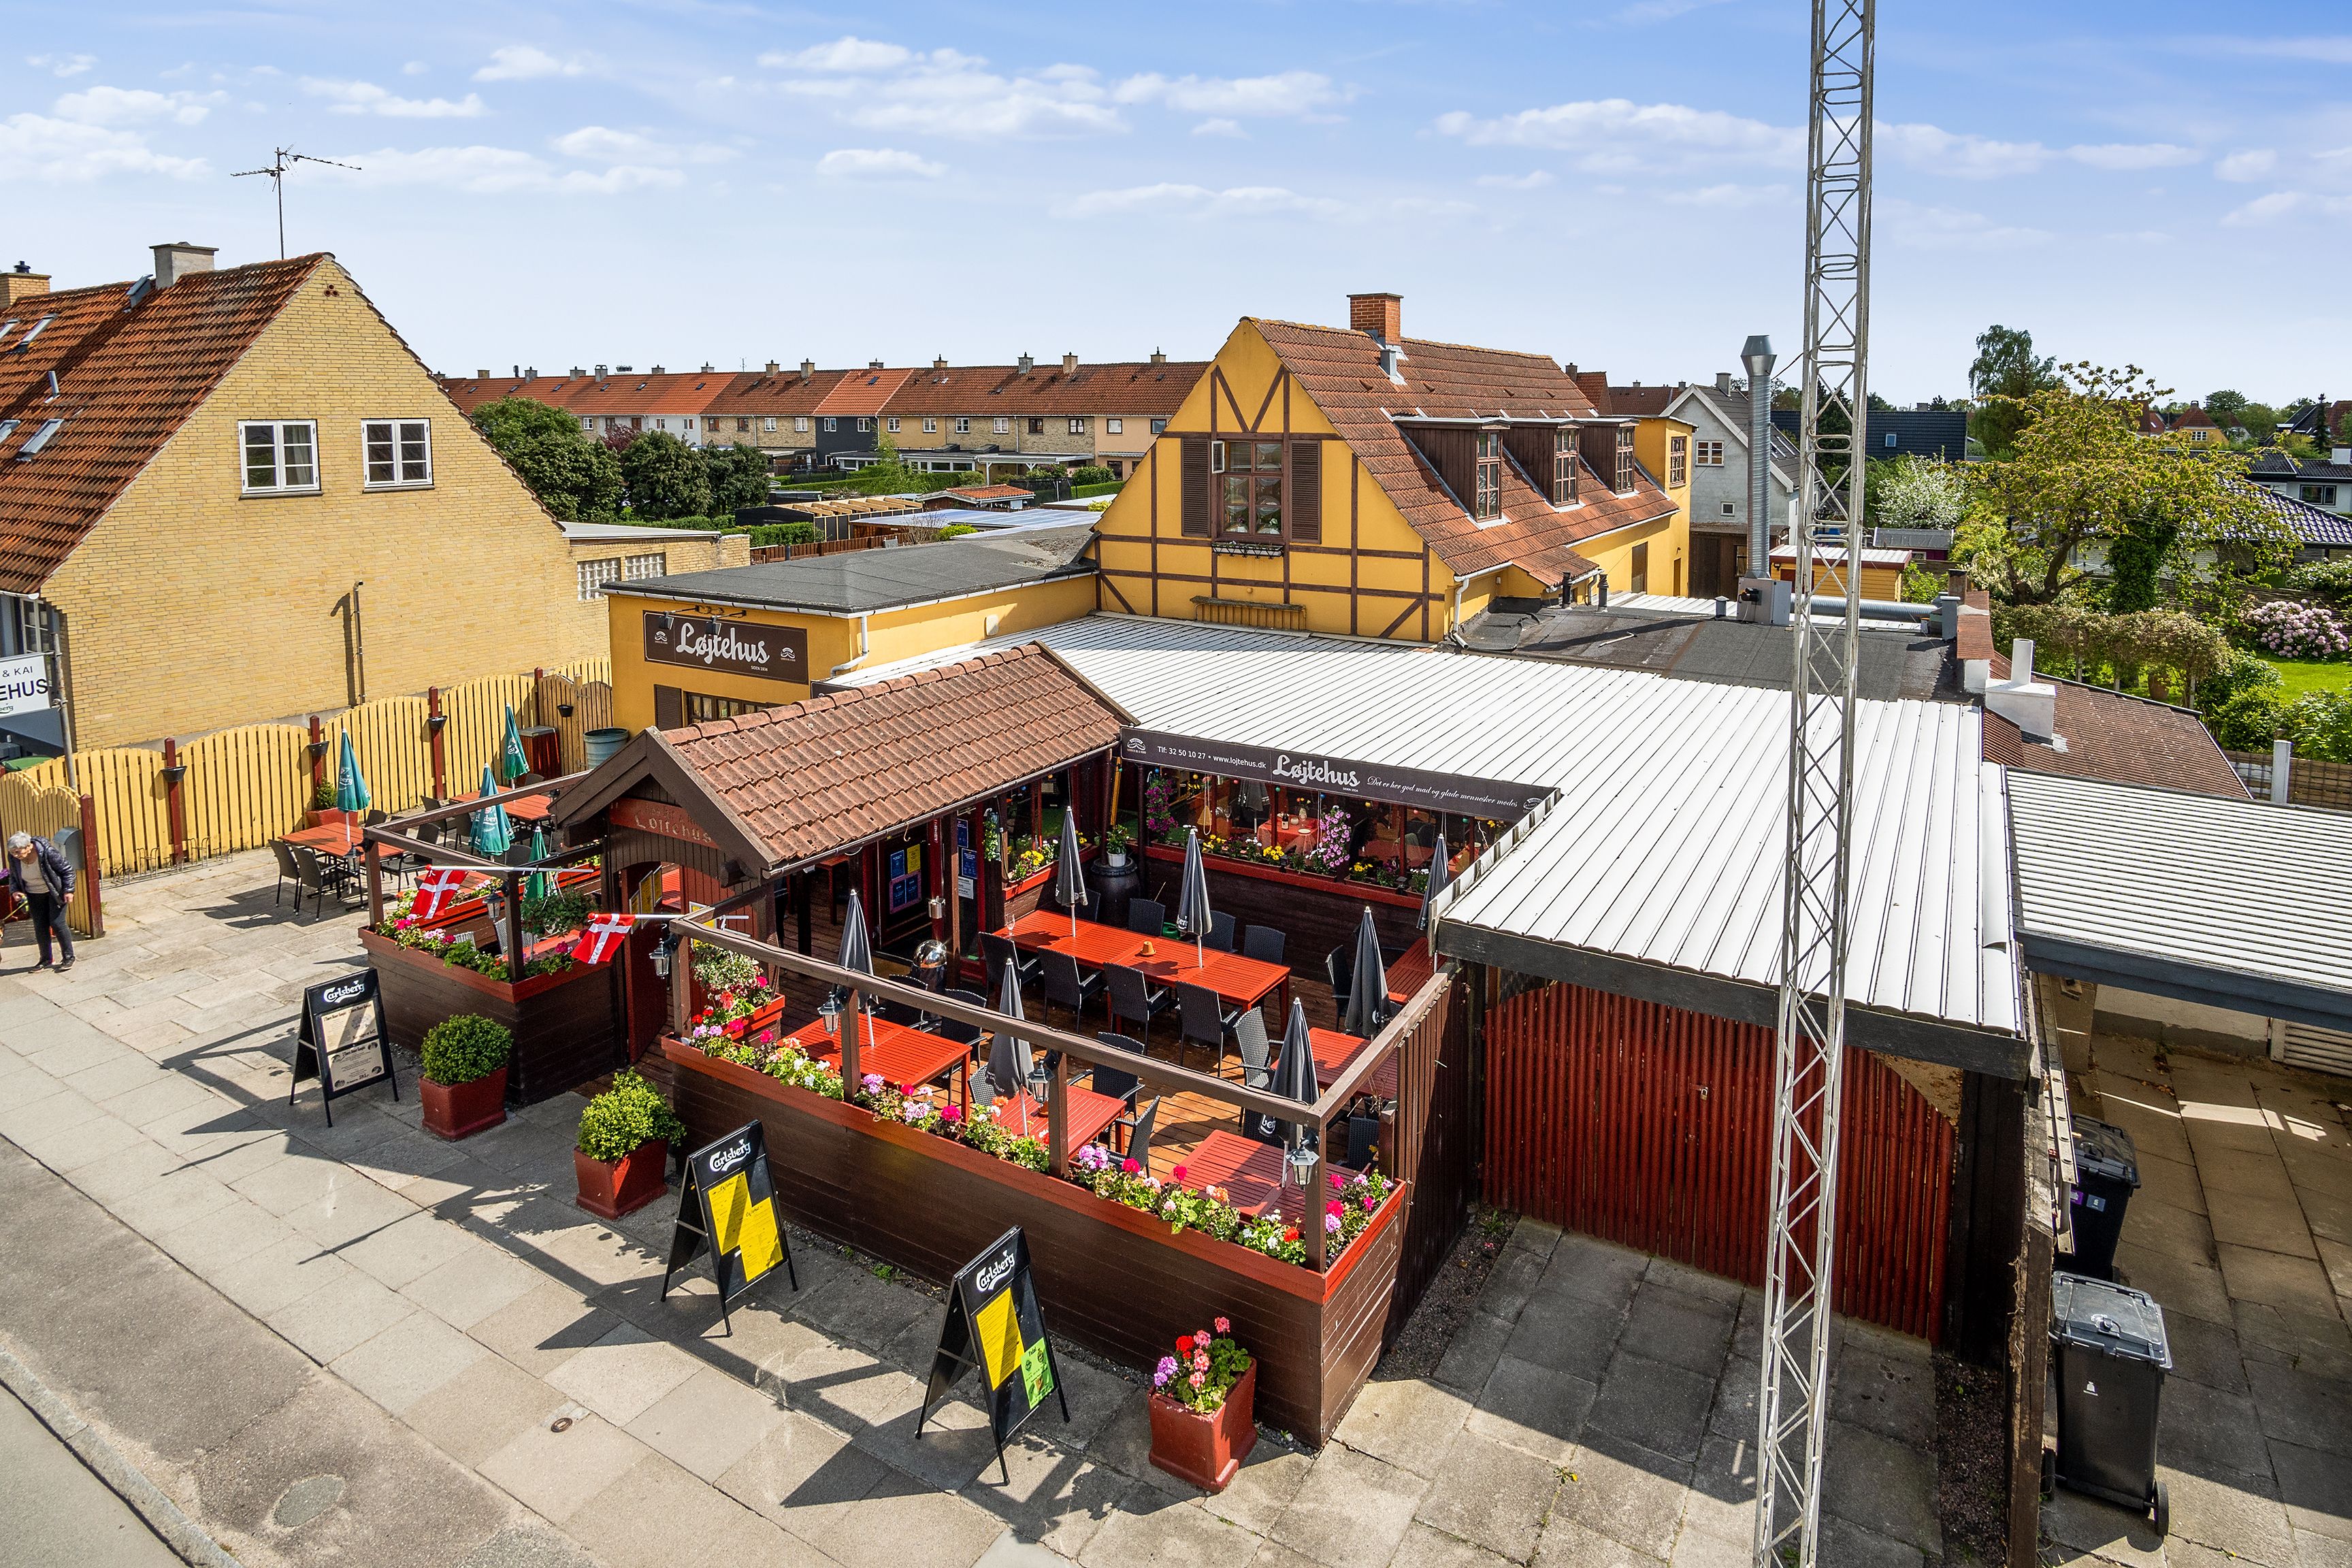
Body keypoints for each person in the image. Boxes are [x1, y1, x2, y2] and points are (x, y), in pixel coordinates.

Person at [5, 830, 74, 972]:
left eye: (18, 852)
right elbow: (13, 875)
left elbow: (68, 870)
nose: (15, 856)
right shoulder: (14, 858)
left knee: (57, 923)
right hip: (33, 894)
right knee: (40, 926)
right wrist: (15, 890)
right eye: (13, 852)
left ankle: (69, 957)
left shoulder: (47, 853)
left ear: (29, 847)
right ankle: (46, 960)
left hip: (54, 892)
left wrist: (69, 890)